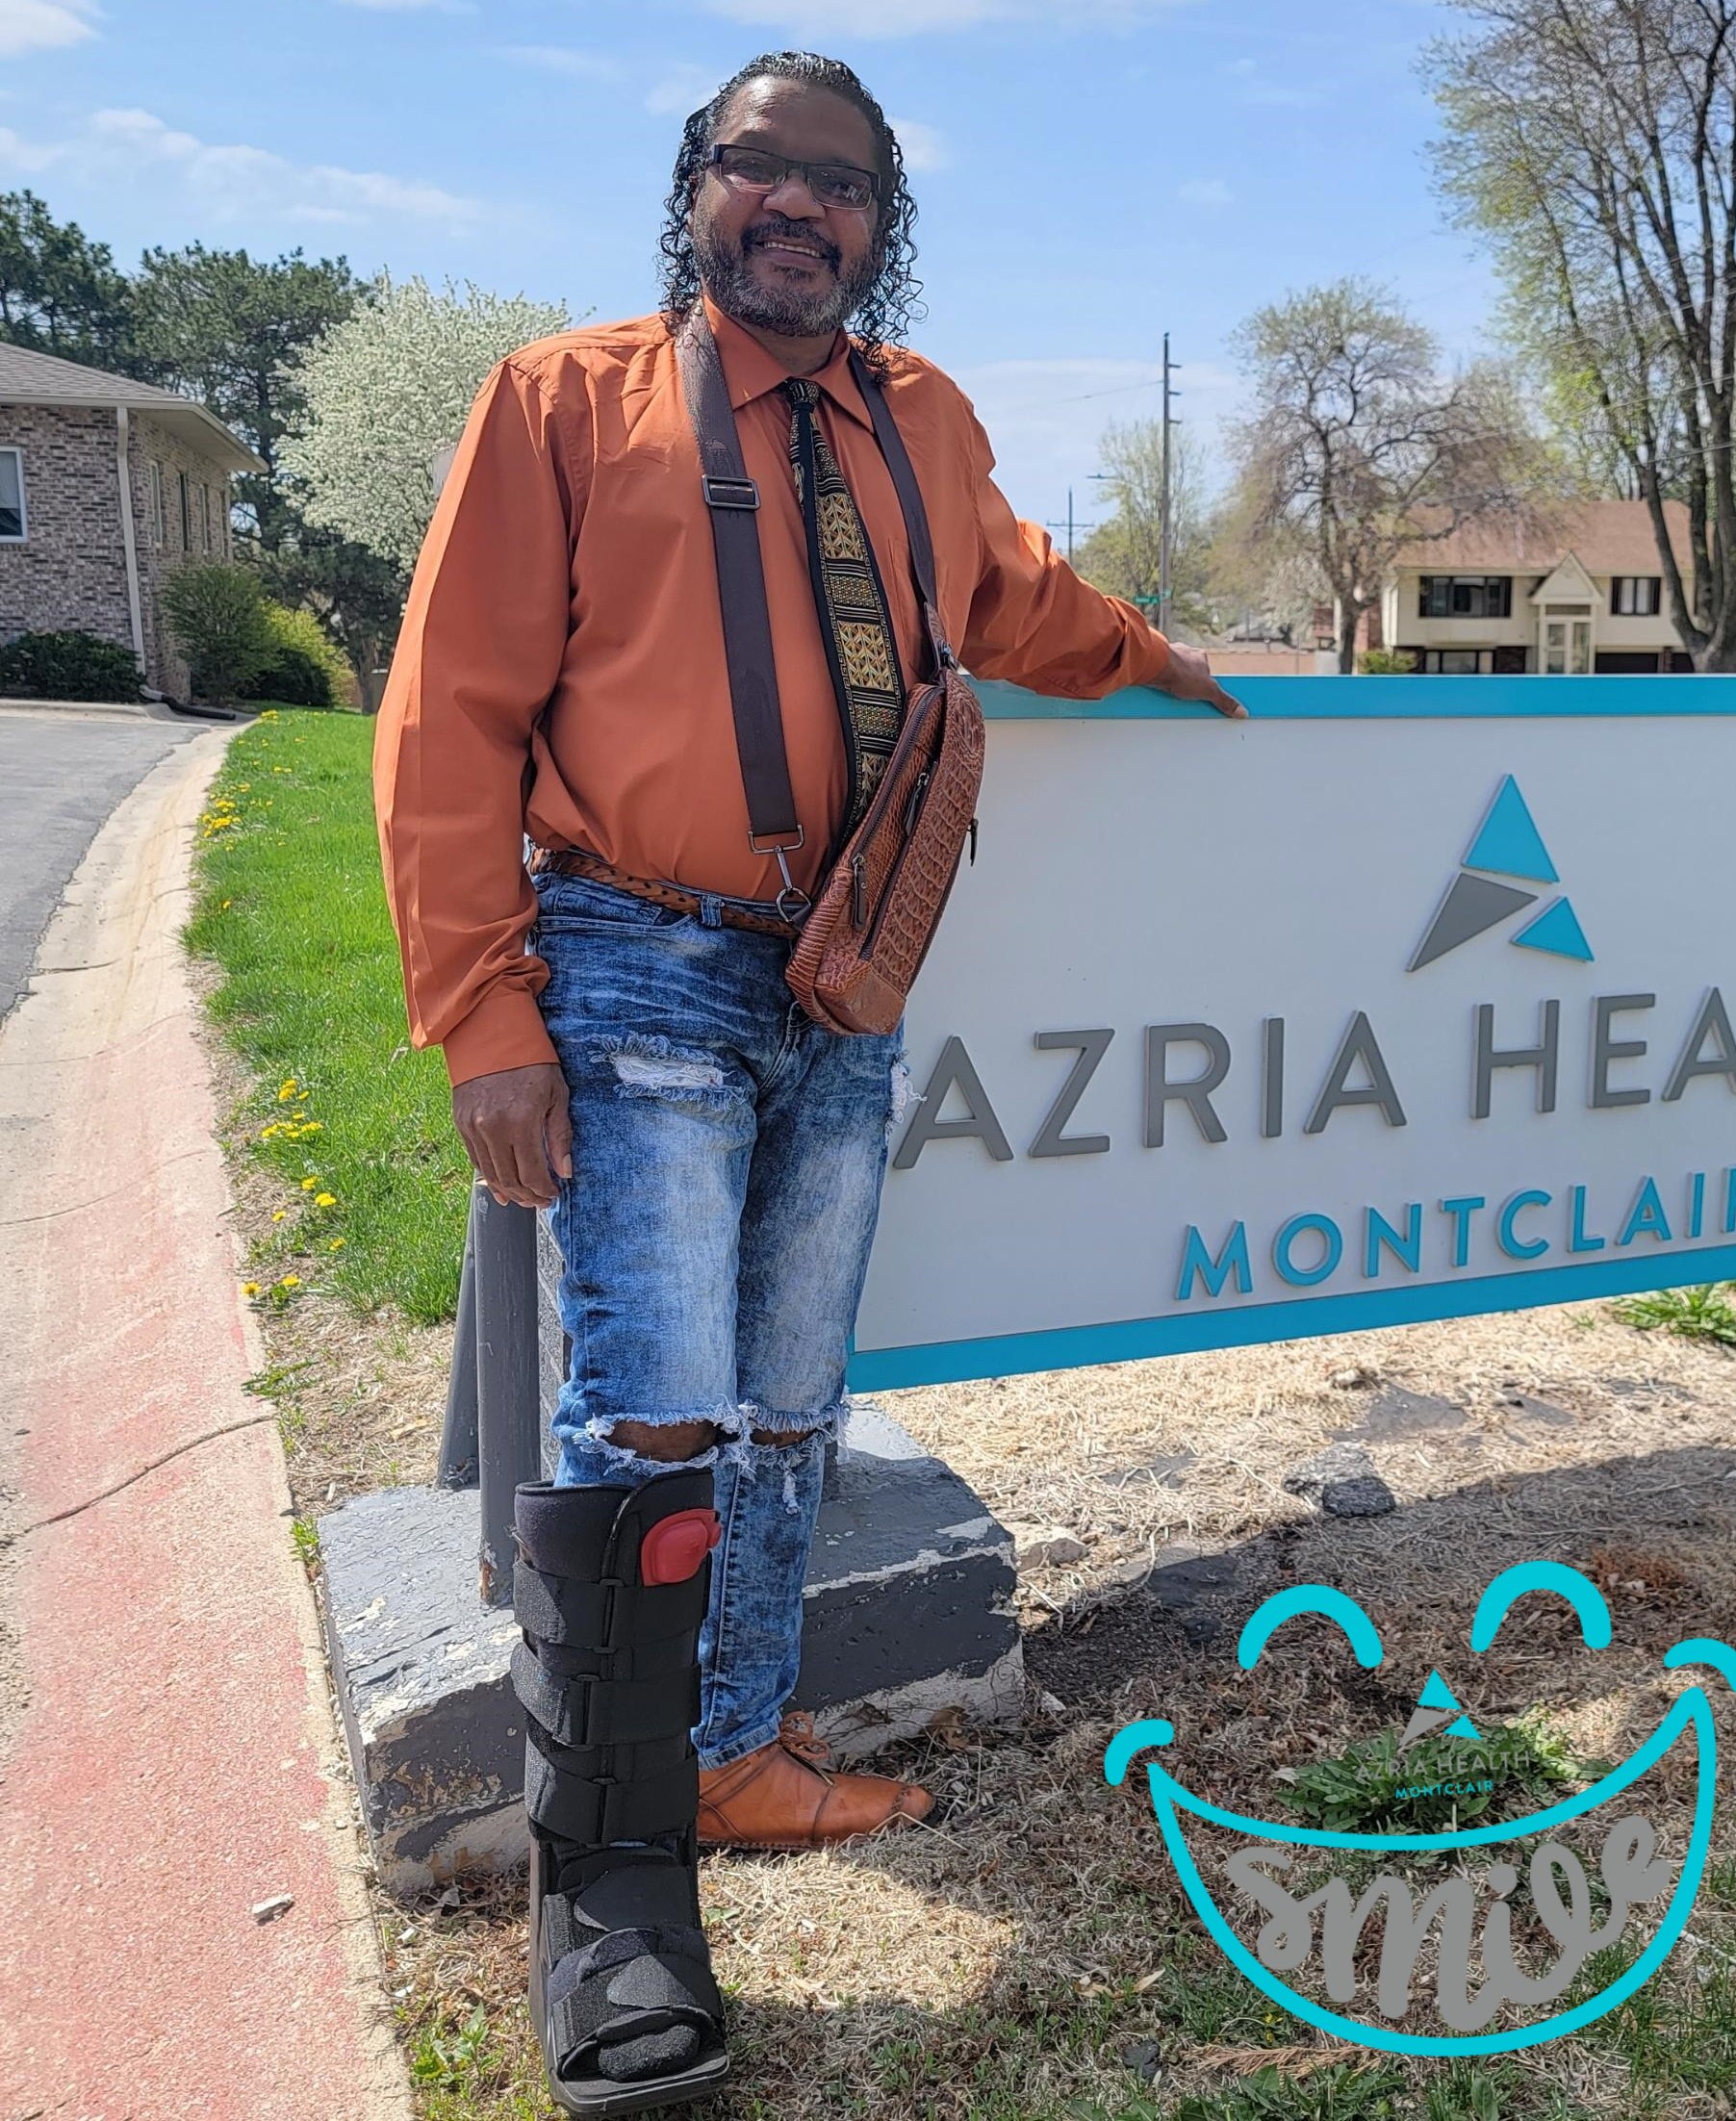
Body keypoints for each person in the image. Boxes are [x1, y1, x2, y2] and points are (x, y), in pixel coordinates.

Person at [372, 49, 1241, 2112]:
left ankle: (734, 1751)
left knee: (784, 1402)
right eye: (762, 168)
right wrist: (484, 1018)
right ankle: (608, 1895)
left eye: (842, 183)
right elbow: (446, 715)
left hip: (847, 970)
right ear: (697, 189)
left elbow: (1010, 598)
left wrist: (1160, 666)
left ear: (881, 221)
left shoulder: (916, 417)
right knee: (649, 1410)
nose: (802, 206)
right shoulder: (560, 403)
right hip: (632, 953)